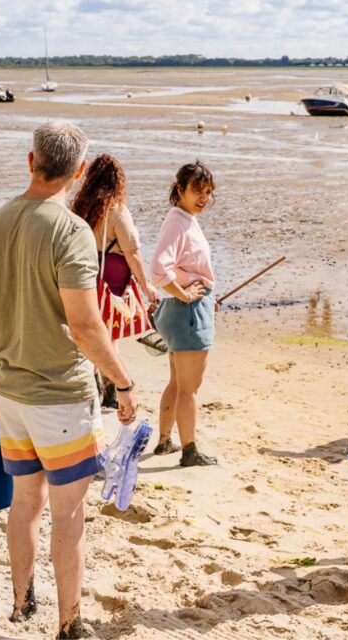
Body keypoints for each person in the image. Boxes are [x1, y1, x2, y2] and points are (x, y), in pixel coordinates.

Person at [0, 120, 139, 640]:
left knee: (25, 501)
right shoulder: (71, 232)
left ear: (31, 161)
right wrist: (124, 384)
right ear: (79, 170)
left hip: (9, 391)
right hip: (59, 395)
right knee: (68, 514)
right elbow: (86, 327)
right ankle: (70, 623)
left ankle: (21, 603)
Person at [69, 154, 159, 409]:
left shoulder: (80, 207)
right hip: (113, 278)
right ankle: (110, 388)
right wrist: (146, 285)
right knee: (110, 335)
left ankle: (97, 382)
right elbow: (132, 252)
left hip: (84, 273)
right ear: (118, 182)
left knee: (90, 330)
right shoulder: (117, 210)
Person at [148, 161, 218, 467]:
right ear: (180, 190)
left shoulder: (184, 217)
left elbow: (178, 267)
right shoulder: (178, 221)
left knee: (177, 382)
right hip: (187, 313)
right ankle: (190, 451)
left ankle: (164, 442)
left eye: (208, 192)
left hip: (182, 311)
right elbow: (157, 269)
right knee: (189, 388)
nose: (204, 197)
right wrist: (186, 293)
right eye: (197, 191)